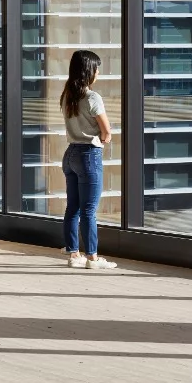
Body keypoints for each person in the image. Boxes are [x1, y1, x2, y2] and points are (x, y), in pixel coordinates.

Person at [60, 50, 117, 270]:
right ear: (88, 71)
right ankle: (92, 258)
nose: (98, 72)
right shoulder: (92, 97)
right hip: (88, 155)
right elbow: (106, 131)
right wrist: (104, 139)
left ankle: (74, 254)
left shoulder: (67, 95)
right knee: (89, 210)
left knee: (72, 208)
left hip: (70, 154)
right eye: (96, 68)